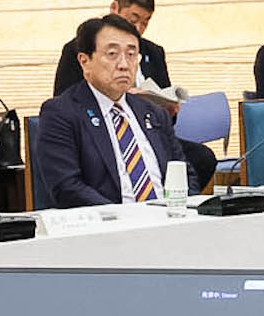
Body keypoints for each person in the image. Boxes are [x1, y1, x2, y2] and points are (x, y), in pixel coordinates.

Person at [33, 14, 183, 207]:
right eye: (112, 54)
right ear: (84, 61)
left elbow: (183, 170)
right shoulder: (61, 113)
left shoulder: (153, 112)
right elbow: (67, 187)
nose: (123, 65)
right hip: (111, 226)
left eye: (131, 55)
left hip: (169, 221)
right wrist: (126, 217)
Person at [52, 0, 174, 96]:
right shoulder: (80, 47)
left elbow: (168, 105)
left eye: (145, 23)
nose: (138, 28)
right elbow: (62, 102)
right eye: (133, 20)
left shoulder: (154, 52)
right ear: (114, 7)